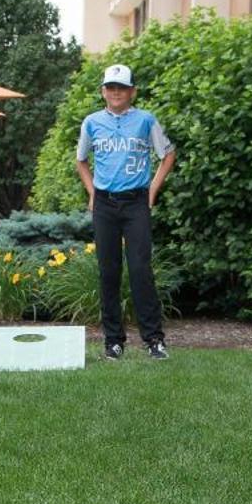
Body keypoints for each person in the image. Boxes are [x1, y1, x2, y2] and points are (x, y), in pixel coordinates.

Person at [75, 63, 175, 359]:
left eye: (122, 88)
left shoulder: (145, 120)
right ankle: (113, 341)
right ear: (103, 91)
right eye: (110, 87)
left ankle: (154, 340)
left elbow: (167, 154)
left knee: (141, 269)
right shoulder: (91, 122)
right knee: (109, 271)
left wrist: (152, 191)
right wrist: (92, 192)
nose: (116, 92)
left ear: (133, 91)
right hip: (105, 203)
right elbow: (81, 160)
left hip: (136, 203)